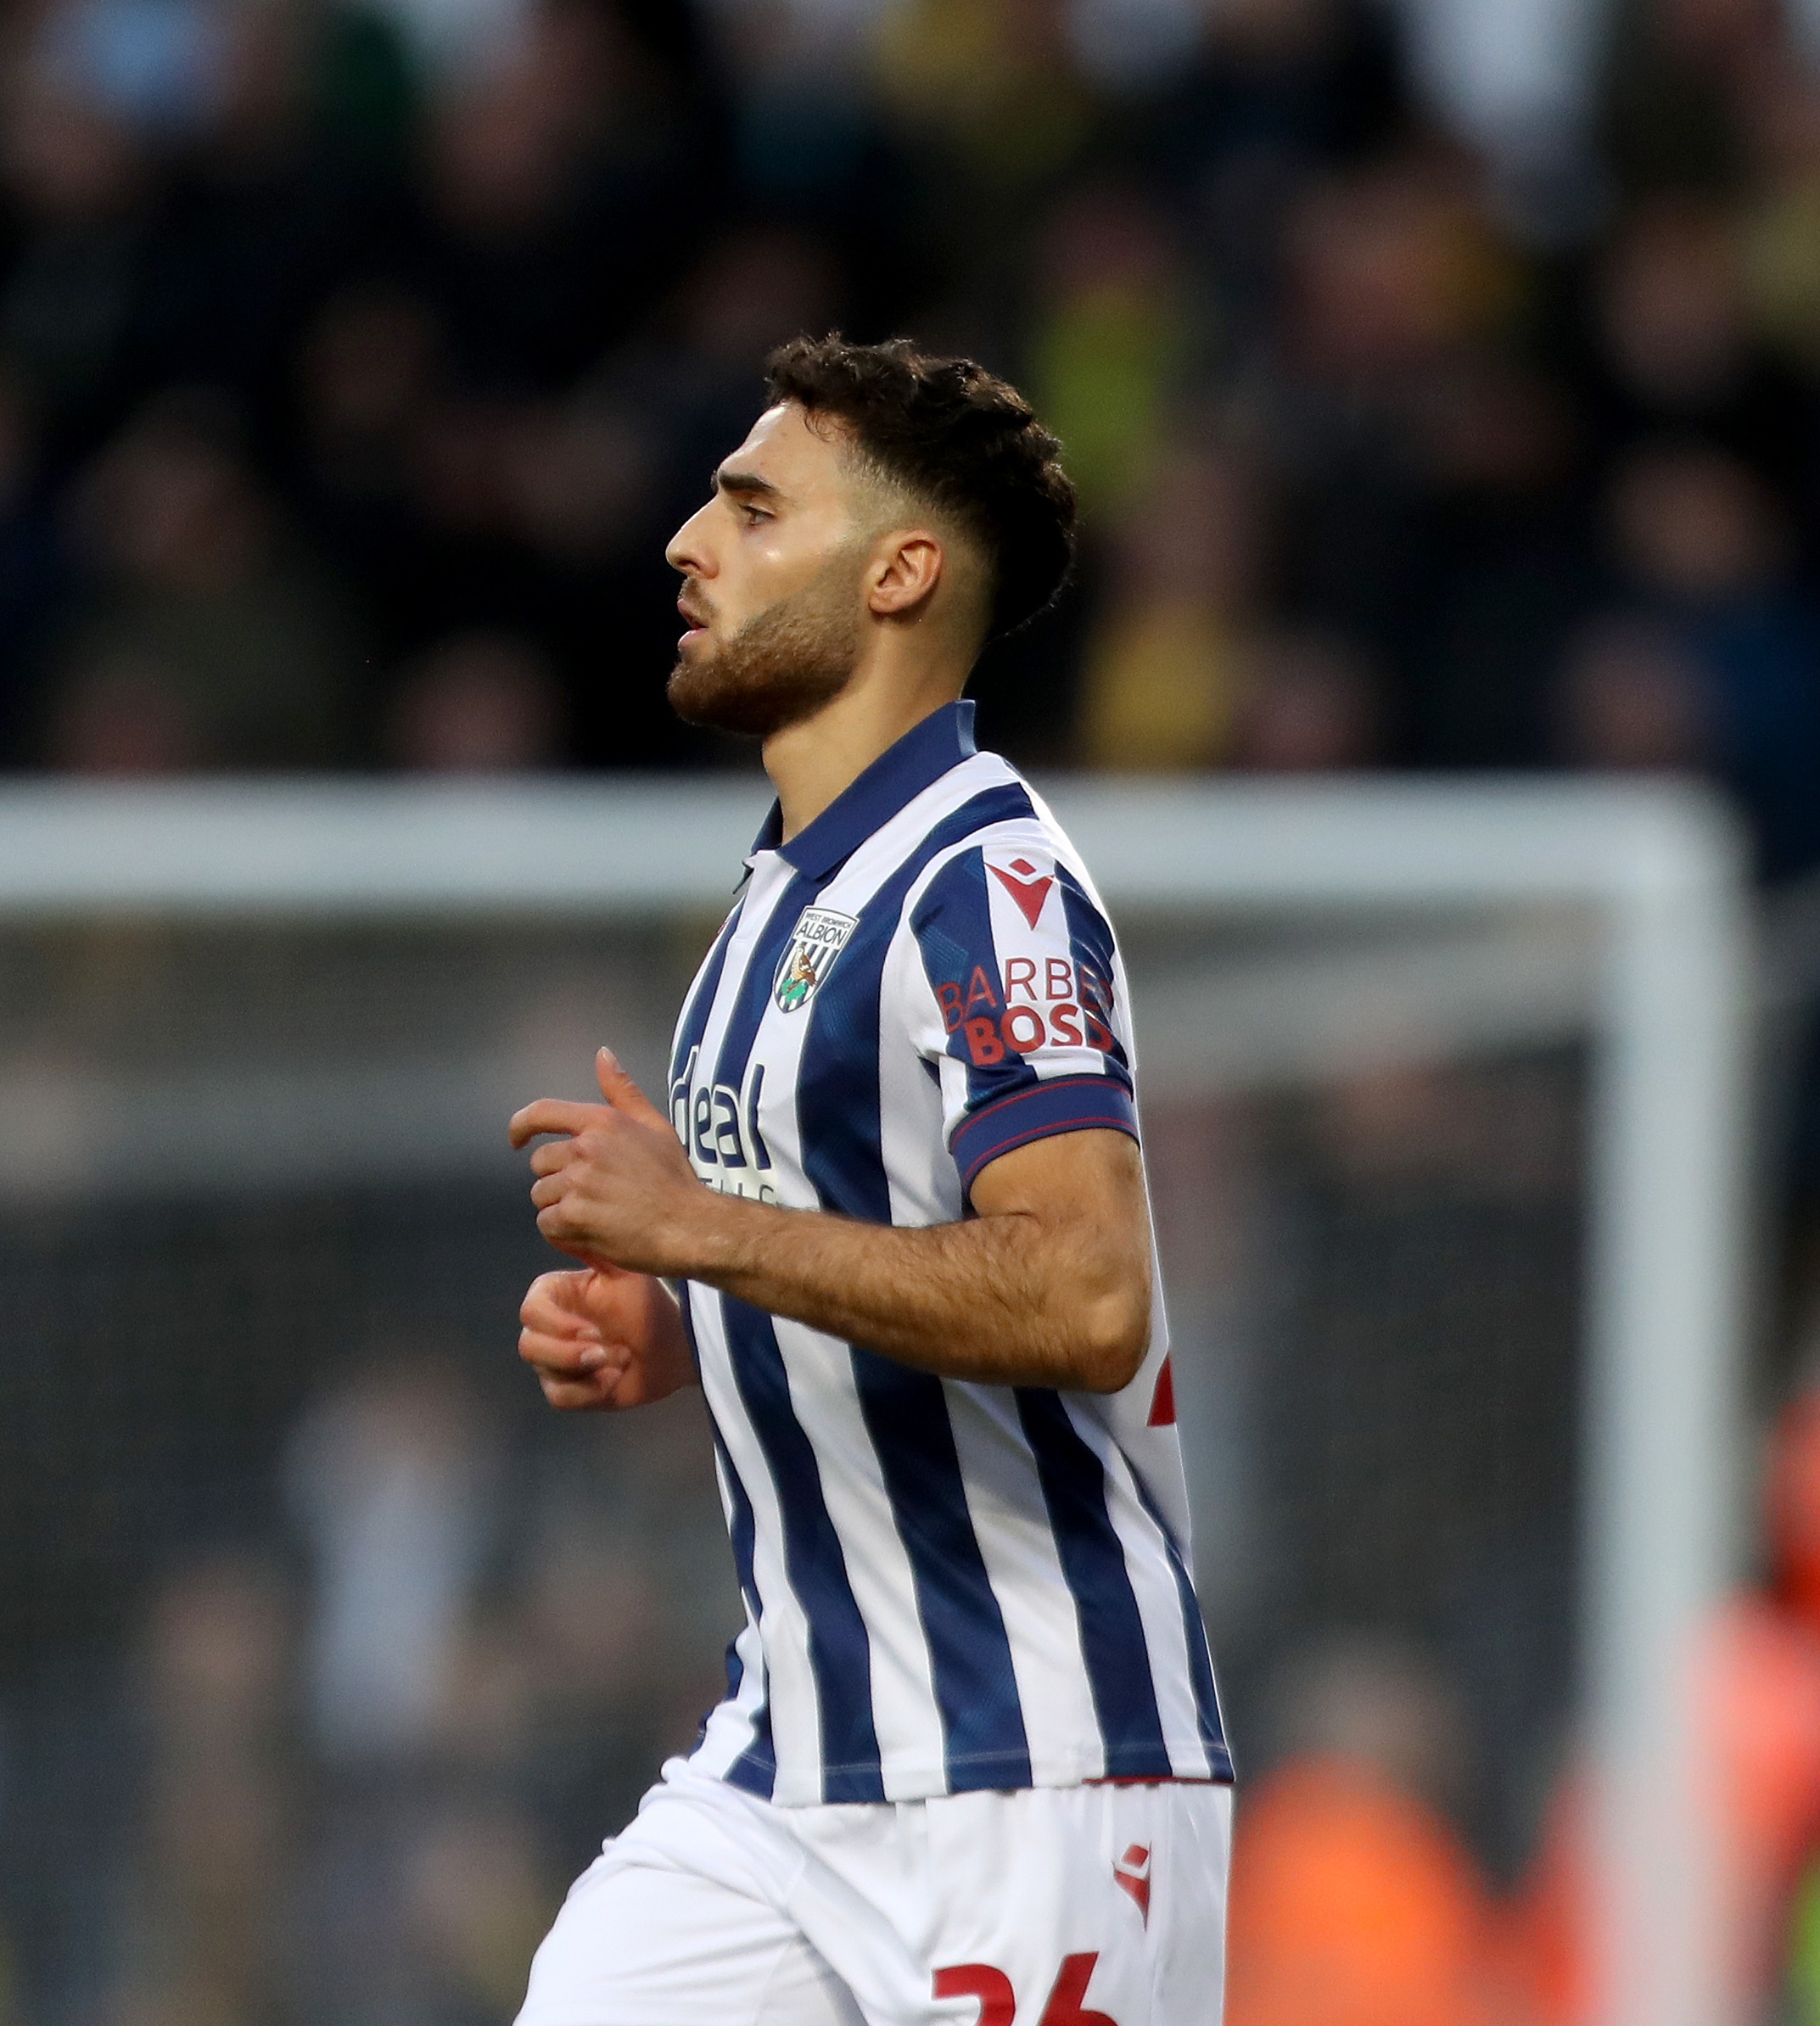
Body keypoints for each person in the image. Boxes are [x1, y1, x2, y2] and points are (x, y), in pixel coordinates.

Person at [506, 335, 1233, 2026]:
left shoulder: (991, 885)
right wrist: (692, 1319)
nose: (688, 544)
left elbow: (1082, 1296)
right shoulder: (779, 899)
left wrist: (697, 1225)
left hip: (1035, 1776)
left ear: (901, 572)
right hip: (781, 1774)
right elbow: (874, 1251)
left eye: (751, 509)